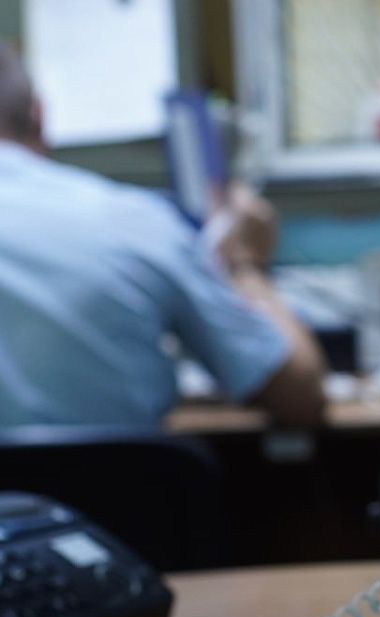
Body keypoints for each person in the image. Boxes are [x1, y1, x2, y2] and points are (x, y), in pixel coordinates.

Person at [0, 44, 327, 428]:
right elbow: (300, 397)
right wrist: (243, 264)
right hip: (117, 469)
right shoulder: (132, 222)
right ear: (40, 115)